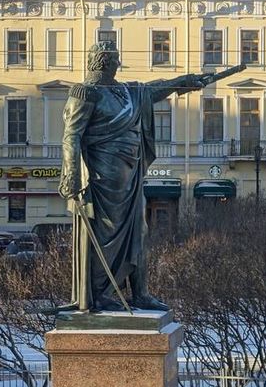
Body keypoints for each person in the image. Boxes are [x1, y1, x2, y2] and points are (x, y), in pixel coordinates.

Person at [58, 41, 220, 312]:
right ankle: (100, 294)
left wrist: (187, 81)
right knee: (107, 234)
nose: (117, 63)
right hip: (103, 178)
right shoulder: (85, 93)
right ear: (102, 62)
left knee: (139, 232)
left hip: (130, 174)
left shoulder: (126, 91)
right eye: (114, 59)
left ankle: (140, 293)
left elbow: (155, 90)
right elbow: (71, 136)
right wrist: (72, 176)